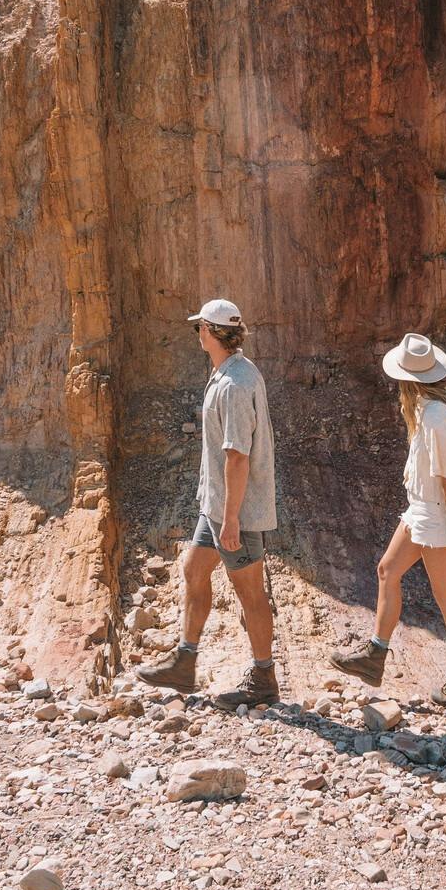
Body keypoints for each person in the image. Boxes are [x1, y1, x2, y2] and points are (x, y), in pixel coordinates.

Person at [328, 332, 446, 705]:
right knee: (388, 570)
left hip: (436, 517)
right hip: (422, 511)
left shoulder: (437, 417)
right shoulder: (429, 408)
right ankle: (375, 655)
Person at [136, 297, 281, 709]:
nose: (196, 333)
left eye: (199, 326)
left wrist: (232, 518)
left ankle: (264, 679)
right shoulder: (228, 373)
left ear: (212, 333)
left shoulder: (236, 384)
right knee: (194, 568)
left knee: (250, 593)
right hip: (217, 504)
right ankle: (185, 662)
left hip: (236, 511)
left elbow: (238, 456)